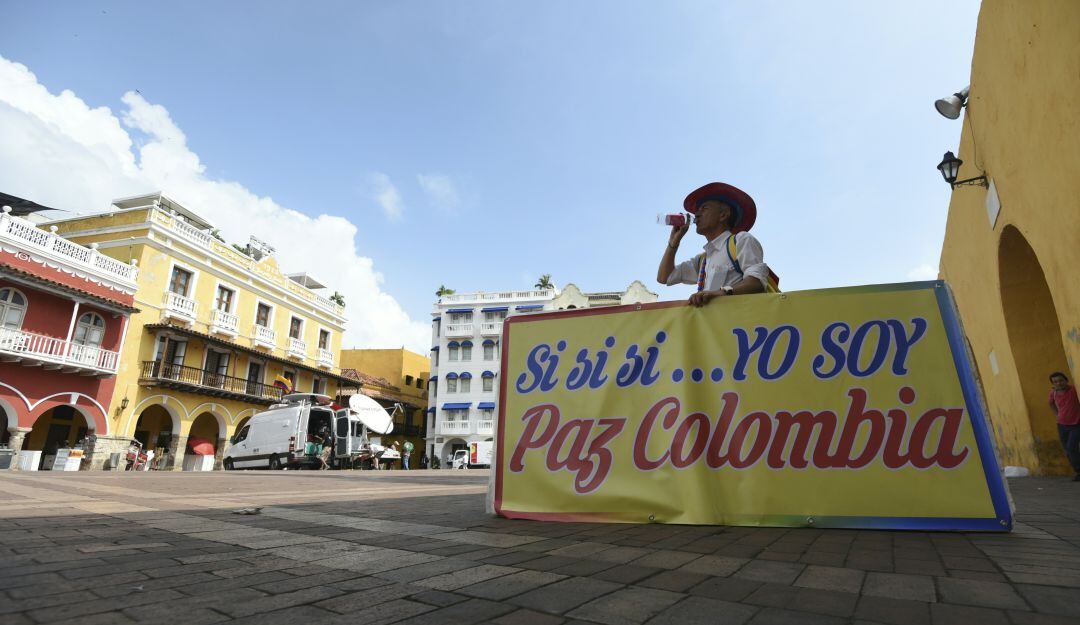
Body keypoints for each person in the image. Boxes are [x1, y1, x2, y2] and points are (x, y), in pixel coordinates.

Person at [658, 182, 772, 306]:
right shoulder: (702, 260)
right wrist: (673, 242)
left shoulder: (741, 240)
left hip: (738, 323)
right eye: (697, 211)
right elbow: (664, 277)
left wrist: (720, 293)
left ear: (723, 215)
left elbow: (757, 282)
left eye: (704, 208)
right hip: (713, 325)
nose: (696, 215)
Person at [1049, 372, 1080, 480]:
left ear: (1066, 380)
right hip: (1062, 424)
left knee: (1072, 448)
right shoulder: (1053, 394)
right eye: (1055, 382)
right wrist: (1057, 415)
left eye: (1061, 380)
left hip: (1076, 423)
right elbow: (1051, 403)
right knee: (1067, 449)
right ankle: (1078, 471)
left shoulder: (1074, 390)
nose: (1059, 383)